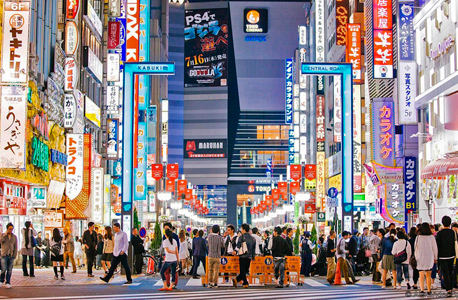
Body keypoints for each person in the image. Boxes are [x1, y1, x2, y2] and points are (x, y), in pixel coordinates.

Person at [414, 222, 438, 296]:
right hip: (429, 257)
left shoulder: (418, 237)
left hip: (420, 257)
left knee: (421, 274)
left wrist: (416, 257)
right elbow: (435, 248)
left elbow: (415, 248)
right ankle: (429, 289)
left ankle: (421, 289)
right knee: (428, 274)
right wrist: (435, 257)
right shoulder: (431, 237)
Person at [436, 216, 456, 298]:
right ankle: (451, 287)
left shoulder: (439, 233)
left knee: (445, 272)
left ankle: (448, 289)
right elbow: (454, 244)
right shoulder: (452, 232)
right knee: (451, 271)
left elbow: (438, 245)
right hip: (451, 255)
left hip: (442, 256)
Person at [233, 223, 255, 288]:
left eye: (241, 228)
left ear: (244, 229)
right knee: (245, 270)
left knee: (243, 271)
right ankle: (245, 283)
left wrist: (235, 251)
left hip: (242, 256)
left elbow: (238, 246)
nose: (241, 230)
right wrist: (253, 257)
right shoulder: (253, 238)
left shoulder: (241, 237)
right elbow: (253, 248)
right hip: (249, 256)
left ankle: (237, 280)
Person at [0, 223, 17, 289]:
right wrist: (5, 235)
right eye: (9, 229)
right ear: (7, 229)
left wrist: (14, 255)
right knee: (3, 269)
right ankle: (1, 280)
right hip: (4, 254)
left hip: (11, 255)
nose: (11, 230)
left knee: (9, 270)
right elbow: (0, 241)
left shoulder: (14, 237)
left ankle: (8, 282)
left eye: (12, 229)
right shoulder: (3, 235)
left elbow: (15, 246)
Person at [163, 222, 180, 287]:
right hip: (167, 256)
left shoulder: (175, 236)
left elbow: (177, 247)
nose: (166, 230)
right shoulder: (164, 236)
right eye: (165, 228)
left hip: (173, 256)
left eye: (167, 228)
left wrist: (177, 256)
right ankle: (167, 283)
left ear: (170, 228)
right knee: (166, 271)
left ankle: (174, 283)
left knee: (174, 270)